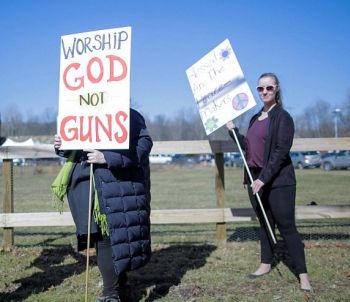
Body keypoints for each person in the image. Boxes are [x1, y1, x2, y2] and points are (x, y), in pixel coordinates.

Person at [54, 108, 153, 302]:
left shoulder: (130, 114)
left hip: (118, 185)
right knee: (103, 237)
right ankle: (115, 290)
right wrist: (62, 145)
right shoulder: (82, 114)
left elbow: (143, 146)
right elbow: (78, 150)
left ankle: (111, 293)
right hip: (90, 184)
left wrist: (107, 157)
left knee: (112, 237)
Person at [226, 73, 312, 292]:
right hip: (254, 179)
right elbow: (249, 148)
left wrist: (263, 178)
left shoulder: (283, 118)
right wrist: (233, 131)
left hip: (277, 181)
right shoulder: (255, 118)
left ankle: (303, 276)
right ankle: (265, 264)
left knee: (287, 227)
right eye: (260, 89)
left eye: (269, 88)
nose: (264, 92)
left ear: (277, 89)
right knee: (265, 224)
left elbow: (280, 151)